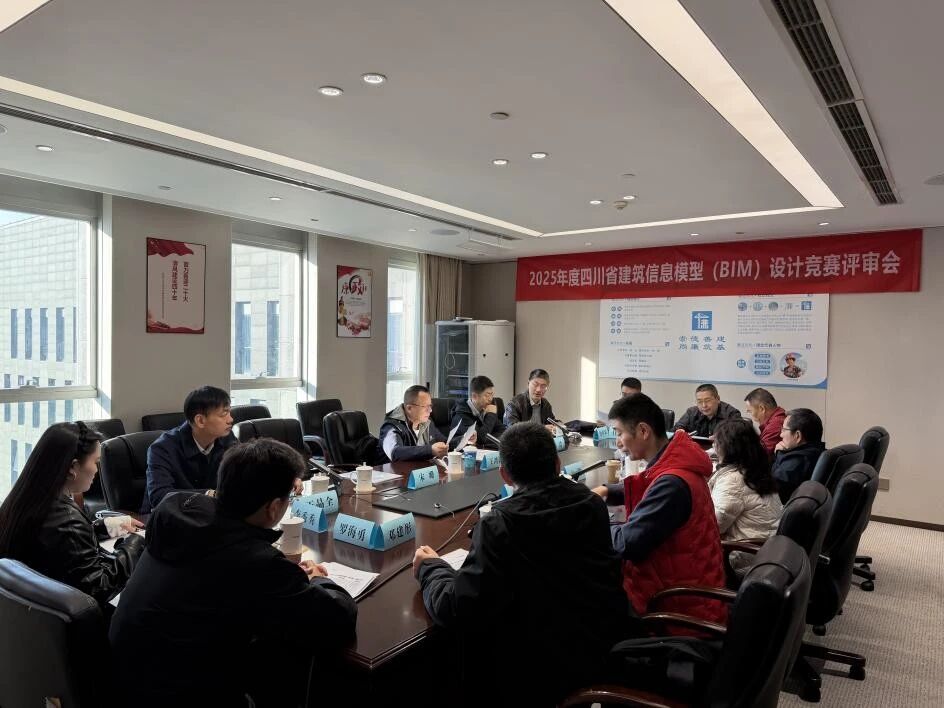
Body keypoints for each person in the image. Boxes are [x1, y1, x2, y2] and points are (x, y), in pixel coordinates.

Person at [110, 438, 357, 708]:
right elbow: (337, 619)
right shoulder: (257, 562)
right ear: (274, 507)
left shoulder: (177, 514)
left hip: (123, 679)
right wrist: (318, 578)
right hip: (183, 694)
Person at [413, 422, 629, 706]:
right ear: (557, 463)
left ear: (504, 474)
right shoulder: (591, 504)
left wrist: (431, 568)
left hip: (537, 672)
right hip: (600, 646)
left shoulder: (500, 523)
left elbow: (458, 609)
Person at [592, 394, 727, 626]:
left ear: (643, 431)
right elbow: (650, 484)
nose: (618, 442)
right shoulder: (678, 463)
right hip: (682, 586)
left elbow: (627, 543)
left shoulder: (673, 484)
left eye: (619, 433)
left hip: (677, 608)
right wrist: (607, 490)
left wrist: (594, 522)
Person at [0, 422, 144, 609]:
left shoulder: (26, 498)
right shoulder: (67, 520)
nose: (97, 470)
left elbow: (55, 543)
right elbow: (101, 587)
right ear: (72, 468)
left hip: (27, 613)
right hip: (74, 620)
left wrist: (103, 526)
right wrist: (134, 543)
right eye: (95, 462)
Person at [142, 385, 237, 513]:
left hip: (210, 514)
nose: (230, 419)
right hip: (167, 518)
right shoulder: (162, 448)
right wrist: (210, 494)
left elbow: (240, 476)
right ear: (200, 420)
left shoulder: (227, 438)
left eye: (229, 412)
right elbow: (159, 496)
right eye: (223, 414)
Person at [709, 419, 783, 573]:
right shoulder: (755, 466)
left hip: (741, 556)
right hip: (765, 549)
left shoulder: (734, 480)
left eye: (717, 442)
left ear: (728, 448)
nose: (714, 445)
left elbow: (713, 526)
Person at [380, 384, 467, 462]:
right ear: (409, 408)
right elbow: (395, 452)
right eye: (425, 406)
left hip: (419, 471)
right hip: (394, 473)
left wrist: (465, 439)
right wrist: (430, 450)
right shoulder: (391, 426)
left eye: (430, 406)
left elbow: (445, 443)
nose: (430, 410)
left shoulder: (426, 422)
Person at [771, 408, 826, 503]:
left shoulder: (796, 461)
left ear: (797, 435)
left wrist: (779, 455)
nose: (781, 435)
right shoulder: (820, 452)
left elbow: (772, 492)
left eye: (784, 429)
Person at [449, 375, 506, 449]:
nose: (490, 399)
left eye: (492, 395)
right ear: (474, 396)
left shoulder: (485, 409)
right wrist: (491, 415)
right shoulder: (462, 415)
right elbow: (479, 439)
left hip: (486, 450)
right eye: (487, 395)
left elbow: (503, 431)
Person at [673, 383, 742, 438]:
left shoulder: (731, 413)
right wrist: (679, 431)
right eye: (699, 401)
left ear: (718, 399)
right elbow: (676, 428)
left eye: (707, 400)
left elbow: (739, 436)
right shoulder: (691, 412)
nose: (704, 405)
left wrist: (722, 438)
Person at [504, 368, 558, 433]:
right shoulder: (514, 404)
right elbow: (513, 429)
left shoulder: (545, 404)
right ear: (528, 383)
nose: (538, 390)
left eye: (543, 386)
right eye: (535, 385)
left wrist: (558, 425)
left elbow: (552, 422)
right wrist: (541, 428)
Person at [743, 387, 787, 457]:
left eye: (750, 411)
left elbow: (760, 456)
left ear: (762, 408)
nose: (751, 415)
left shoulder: (774, 426)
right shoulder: (776, 420)